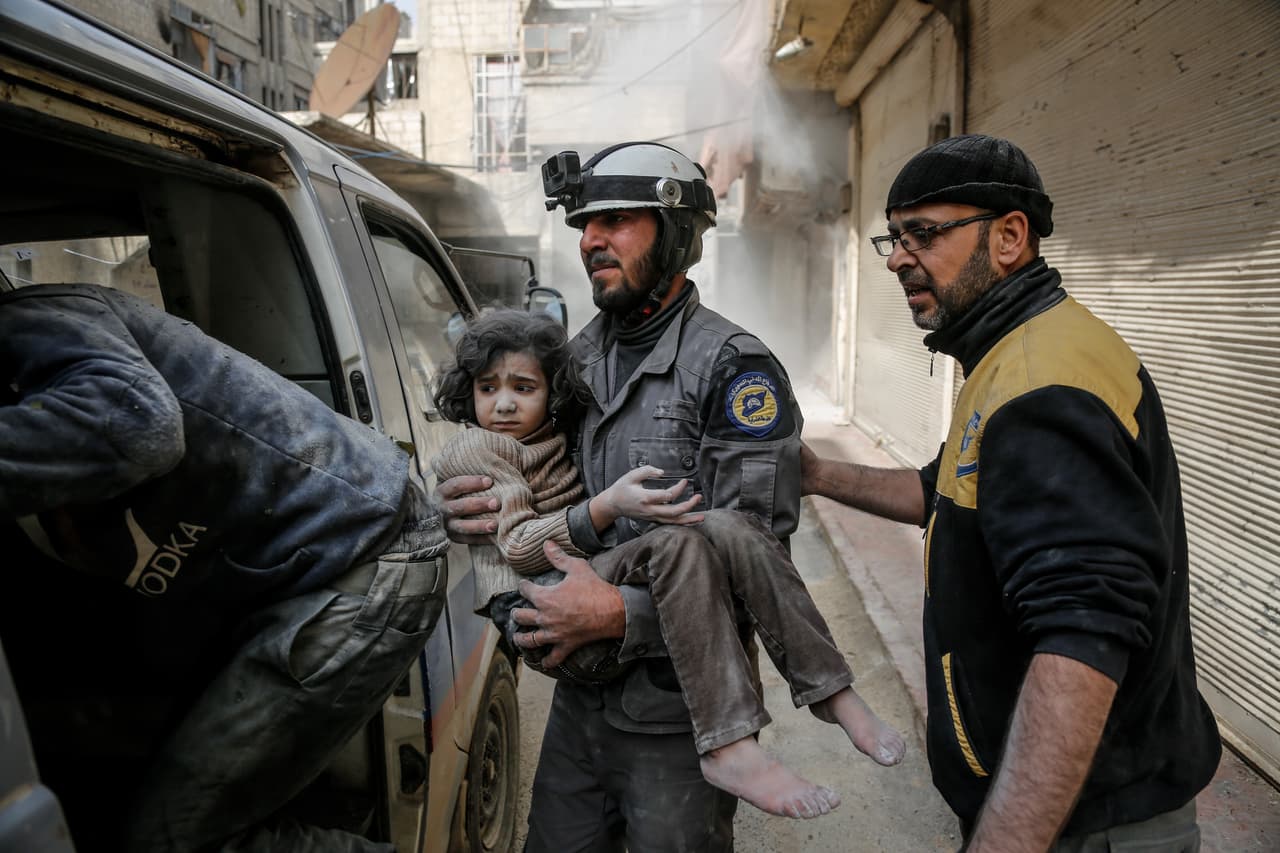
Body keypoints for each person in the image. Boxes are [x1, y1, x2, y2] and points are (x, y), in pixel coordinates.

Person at [799, 134, 1221, 851]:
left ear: (1009, 236)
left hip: (1086, 824)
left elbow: (1082, 636)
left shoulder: (1041, 385)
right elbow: (944, 494)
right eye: (894, 238)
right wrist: (815, 474)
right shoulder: (1010, 356)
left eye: (924, 234)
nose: (900, 258)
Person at [437, 142, 822, 850]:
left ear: (675, 234)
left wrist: (618, 614)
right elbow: (517, 482)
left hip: (680, 719)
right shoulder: (568, 362)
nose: (590, 240)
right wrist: (463, 510)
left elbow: (759, 565)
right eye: (585, 223)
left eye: (615, 220)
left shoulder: (734, 369)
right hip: (579, 706)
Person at [0, 283, 448, 853]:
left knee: (177, 839)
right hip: (297, 573)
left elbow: (142, 429)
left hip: (361, 554)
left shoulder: (33, 321)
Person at [431, 308, 904, 819]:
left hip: (591, 581)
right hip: (541, 605)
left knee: (730, 526)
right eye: (487, 388)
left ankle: (828, 687)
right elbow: (519, 544)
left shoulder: (718, 360)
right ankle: (728, 745)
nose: (503, 403)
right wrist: (604, 507)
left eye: (523, 388)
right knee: (678, 544)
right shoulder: (483, 445)